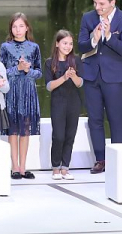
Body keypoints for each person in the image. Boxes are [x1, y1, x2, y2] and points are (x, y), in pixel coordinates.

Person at [78, 0, 122, 174]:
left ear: (112, 2)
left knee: (116, 118)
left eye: (101, 4)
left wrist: (109, 36)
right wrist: (93, 39)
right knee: (94, 118)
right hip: (91, 75)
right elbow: (81, 46)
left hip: (113, 76)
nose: (97, 7)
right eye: (95, 3)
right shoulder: (88, 18)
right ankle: (100, 159)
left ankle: (118, 157)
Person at [0, 12, 42, 180]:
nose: (18, 30)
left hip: (28, 92)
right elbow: (1, 72)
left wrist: (27, 70)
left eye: (21, 26)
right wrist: (17, 69)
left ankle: (24, 167)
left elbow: (39, 73)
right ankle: (14, 167)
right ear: (11, 28)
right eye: (14, 26)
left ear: (27, 28)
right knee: (13, 130)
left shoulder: (34, 47)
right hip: (12, 92)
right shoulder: (5, 47)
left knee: (25, 131)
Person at [45, 30, 83, 180]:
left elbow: (80, 83)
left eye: (70, 44)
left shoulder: (76, 61)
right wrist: (64, 77)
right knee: (58, 136)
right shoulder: (50, 63)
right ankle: (55, 167)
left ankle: (65, 168)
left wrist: (73, 76)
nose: (68, 46)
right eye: (65, 43)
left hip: (74, 102)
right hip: (58, 102)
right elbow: (49, 86)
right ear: (57, 44)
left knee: (70, 135)